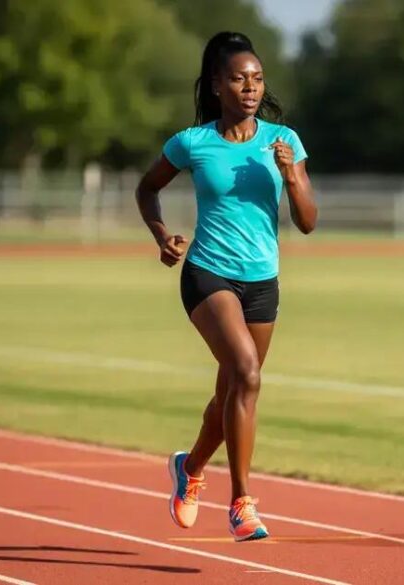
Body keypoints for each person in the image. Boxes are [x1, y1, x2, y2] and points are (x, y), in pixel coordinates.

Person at [135, 31, 317, 542]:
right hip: (208, 273)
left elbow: (307, 222)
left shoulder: (284, 141)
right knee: (247, 375)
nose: (250, 87)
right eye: (239, 79)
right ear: (217, 85)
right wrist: (161, 235)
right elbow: (147, 188)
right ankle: (242, 502)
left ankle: (189, 467)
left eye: (257, 79)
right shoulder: (192, 143)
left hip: (262, 281)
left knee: (232, 392)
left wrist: (292, 176)